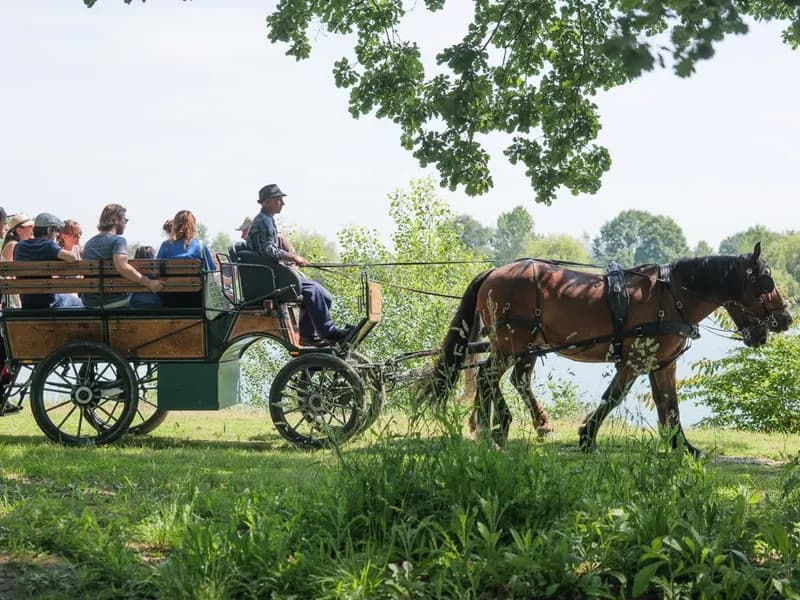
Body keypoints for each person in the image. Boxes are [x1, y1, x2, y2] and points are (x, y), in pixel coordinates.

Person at [246, 184, 352, 345]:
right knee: (313, 291)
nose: (282, 203)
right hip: (270, 278)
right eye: (278, 200)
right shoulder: (264, 222)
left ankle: (308, 335)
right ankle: (328, 333)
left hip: (274, 273)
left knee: (325, 297)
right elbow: (268, 251)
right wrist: (294, 257)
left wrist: (290, 259)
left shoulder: (267, 220)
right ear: (266, 202)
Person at [81, 204, 163, 308]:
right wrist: (149, 282)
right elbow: (122, 267)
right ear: (116, 220)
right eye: (125, 219)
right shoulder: (118, 241)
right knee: (146, 299)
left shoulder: (89, 243)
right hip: (113, 301)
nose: (125, 223)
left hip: (90, 302)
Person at [13, 213, 83, 308]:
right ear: (49, 230)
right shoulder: (48, 245)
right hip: (49, 302)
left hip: (27, 302)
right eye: (56, 230)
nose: (57, 234)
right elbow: (72, 258)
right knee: (80, 303)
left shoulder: (19, 247)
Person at [157, 209, 217, 308]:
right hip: (196, 299)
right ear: (193, 226)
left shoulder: (165, 246)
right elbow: (211, 271)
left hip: (169, 299)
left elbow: (157, 270)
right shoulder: (201, 245)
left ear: (175, 225)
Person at [0, 213, 34, 309]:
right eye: (29, 226)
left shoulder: (14, 244)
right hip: (11, 297)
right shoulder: (13, 245)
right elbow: (11, 276)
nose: (32, 228)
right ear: (19, 230)